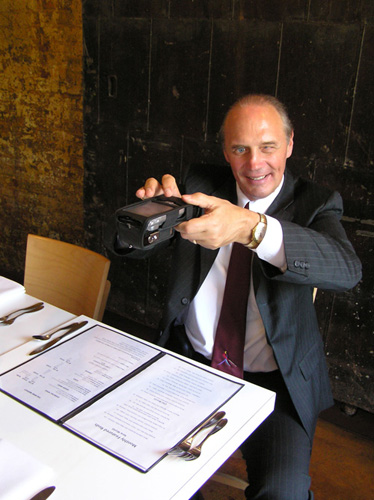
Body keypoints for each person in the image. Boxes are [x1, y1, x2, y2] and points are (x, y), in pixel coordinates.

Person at [106, 94, 362, 500]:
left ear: (290, 144)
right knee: (136, 468)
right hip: (188, 365)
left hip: (276, 384)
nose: (254, 163)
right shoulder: (201, 186)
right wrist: (144, 220)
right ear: (226, 151)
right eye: (240, 148)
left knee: (284, 492)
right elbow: (128, 248)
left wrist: (251, 228)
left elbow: (346, 270)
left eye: (268, 147)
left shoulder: (316, 202)